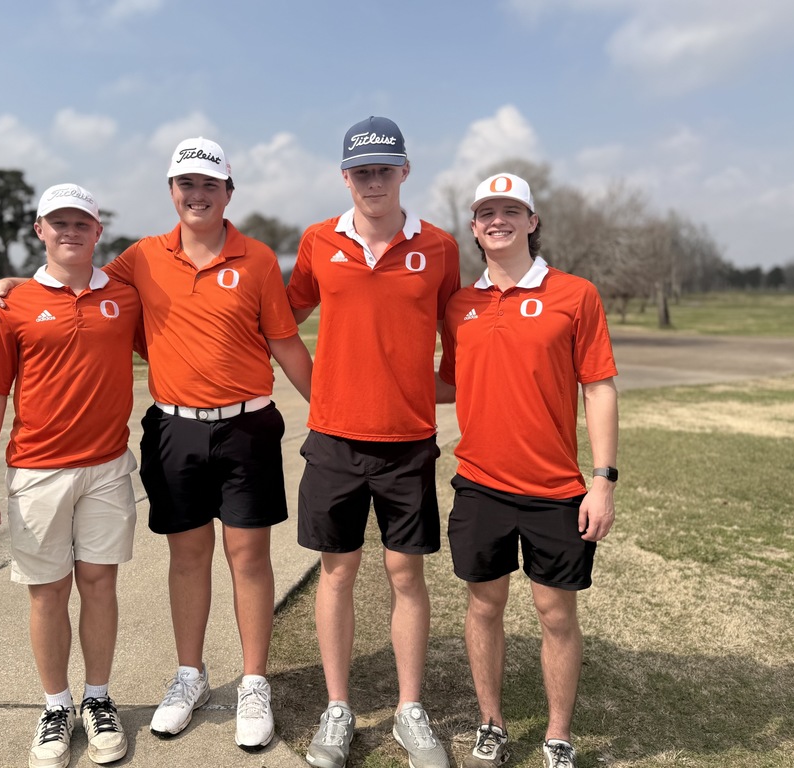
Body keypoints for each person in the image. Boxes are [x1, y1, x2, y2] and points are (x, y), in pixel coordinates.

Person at [0, 138, 313, 752]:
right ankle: (190, 675)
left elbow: (285, 343)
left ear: (228, 192)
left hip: (248, 425)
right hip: (175, 427)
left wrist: (328, 408)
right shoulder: (142, 258)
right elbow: (72, 275)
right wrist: (9, 284)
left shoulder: (261, 259)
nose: (197, 194)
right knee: (187, 557)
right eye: (186, 184)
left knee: (248, 557)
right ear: (171, 192)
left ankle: (254, 681)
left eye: (209, 184)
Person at [286, 116, 461, 768]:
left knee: (404, 574)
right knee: (337, 572)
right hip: (333, 439)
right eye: (362, 171)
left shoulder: (439, 247)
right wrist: (318, 390)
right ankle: (338, 709)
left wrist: (438, 388)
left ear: (405, 172)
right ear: (345, 176)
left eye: (384, 169)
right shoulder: (317, 241)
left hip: (408, 441)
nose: (373, 180)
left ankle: (411, 710)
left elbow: (460, 329)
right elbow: (281, 316)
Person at [436, 173, 618, 768]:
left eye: (511, 210)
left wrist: (602, 480)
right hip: (481, 485)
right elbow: (446, 382)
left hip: (555, 491)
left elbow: (599, 386)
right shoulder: (460, 304)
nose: (498, 220)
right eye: (486, 211)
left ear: (532, 221)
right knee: (483, 607)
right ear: (474, 227)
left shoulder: (575, 295)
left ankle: (558, 735)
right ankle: (492, 723)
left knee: (555, 614)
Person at [0, 183, 142, 768]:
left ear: (97, 231)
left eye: (81, 223)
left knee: (99, 583)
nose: (70, 232)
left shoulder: (124, 294)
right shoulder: (10, 304)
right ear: (39, 231)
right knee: (48, 592)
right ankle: (55, 707)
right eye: (57, 223)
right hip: (37, 470)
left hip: (108, 466)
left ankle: (97, 699)